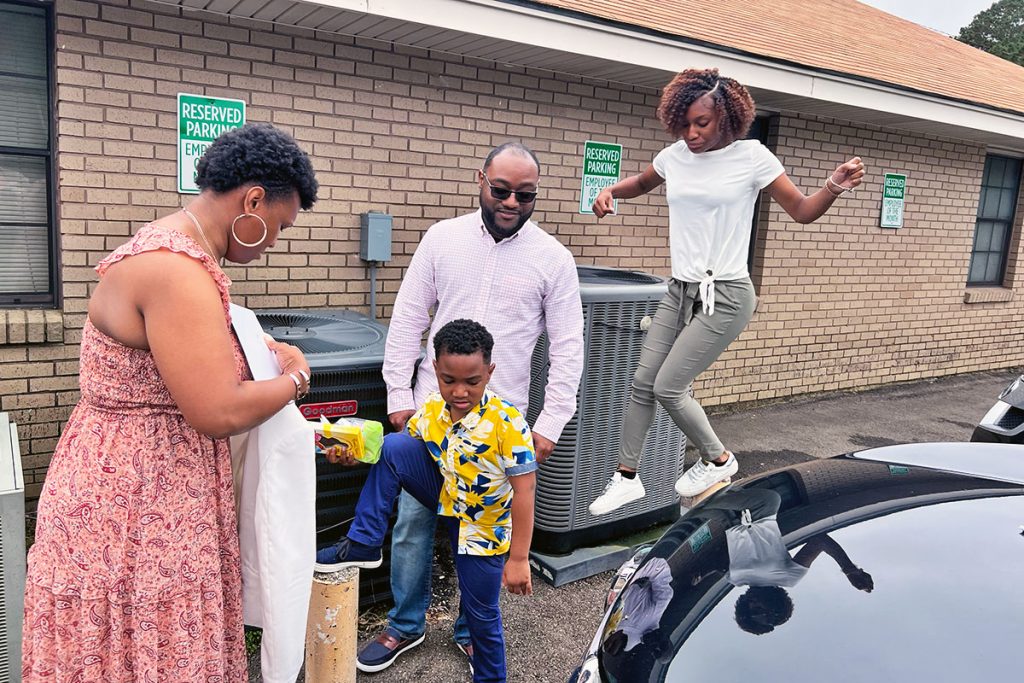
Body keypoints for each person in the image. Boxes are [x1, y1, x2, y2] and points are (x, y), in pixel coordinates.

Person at [22, 123, 319, 682]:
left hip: (139, 485)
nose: (275, 241)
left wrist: (258, 349)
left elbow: (188, 357)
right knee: (147, 651)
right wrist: (299, 378)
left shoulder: (174, 253)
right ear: (252, 200)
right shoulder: (177, 271)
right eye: (279, 225)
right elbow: (217, 411)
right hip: (138, 501)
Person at [347, 142, 583, 673]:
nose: (511, 202)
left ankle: (467, 628)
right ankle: (405, 625)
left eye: (526, 194)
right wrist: (400, 398)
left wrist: (549, 425)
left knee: (477, 535)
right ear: (481, 180)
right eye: (501, 190)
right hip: (434, 414)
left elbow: (569, 348)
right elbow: (408, 317)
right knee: (412, 522)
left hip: (500, 425)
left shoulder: (554, 259)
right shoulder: (442, 239)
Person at [588, 68, 866, 515]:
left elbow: (801, 211)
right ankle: (626, 477)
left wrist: (832, 186)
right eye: (686, 123)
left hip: (728, 294)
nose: (692, 133)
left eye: (703, 123)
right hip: (681, 290)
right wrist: (609, 191)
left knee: (668, 387)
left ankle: (718, 459)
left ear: (727, 119)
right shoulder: (674, 156)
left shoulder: (753, 157)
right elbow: (640, 184)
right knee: (642, 382)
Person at [315, 319, 537, 683]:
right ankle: (363, 542)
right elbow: (394, 457)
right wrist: (352, 452)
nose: (460, 392)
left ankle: (491, 677)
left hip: (482, 529)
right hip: (447, 499)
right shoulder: (433, 409)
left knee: (482, 617)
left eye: (473, 381)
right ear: (435, 369)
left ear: (490, 372)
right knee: (393, 443)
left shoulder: (507, 422)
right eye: (449, 380)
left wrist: (519, 557)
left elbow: (525, 491)